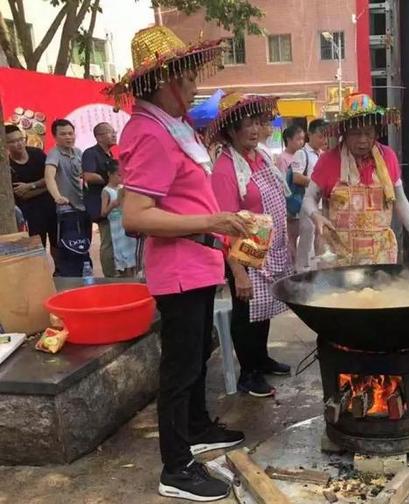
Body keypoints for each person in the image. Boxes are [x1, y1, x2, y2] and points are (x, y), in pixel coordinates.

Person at [112, 26, 251, 502]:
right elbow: (136, 216)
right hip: (177, 270)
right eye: (190, 79)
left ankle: (196, 428)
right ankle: (176, 467)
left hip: (196, 262)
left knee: (195, 359)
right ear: (165, 83)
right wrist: (215, 219)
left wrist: (219, 230)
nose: (195, 87)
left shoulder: (173, 126)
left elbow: (182, 200)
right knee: (179, 368)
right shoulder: (149, 133)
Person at [209, 94, 294, 398]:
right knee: (246, 314)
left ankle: (262, 358)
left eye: (258, 123)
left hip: (270, 248)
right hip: (243, 254)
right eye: (247, 125)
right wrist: (238, 271)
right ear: (231, 131)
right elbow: (224, 225)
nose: (255, 130)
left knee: (265, 309)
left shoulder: (262, 159)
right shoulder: (224, 169)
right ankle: (249, 373)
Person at [302, 93, 409, 266]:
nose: (363, 140)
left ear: (376, 132)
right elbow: (308, 198)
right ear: (344, 132)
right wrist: (315, 215)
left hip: (379, 255)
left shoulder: (388, 157)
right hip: (338, 258)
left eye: (368, 133)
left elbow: (400, 199)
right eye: (356, 133)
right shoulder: (328, 160)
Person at [45, 119, 92, 277]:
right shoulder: (54, 154)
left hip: (83, 208)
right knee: (70, 247)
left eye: (70, 133)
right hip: (66, 209)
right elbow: (49, 177)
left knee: (85, 246)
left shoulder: (78, 152)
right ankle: (69, 279)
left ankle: (86, 276)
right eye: (63, 134)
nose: (68, 137)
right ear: (55, 136)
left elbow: (82, 175)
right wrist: (57, 196)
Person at [6, 125, 57, 253]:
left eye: (20, 139)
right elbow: (23, 195)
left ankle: (60, 272)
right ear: (5, 145)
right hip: (30, 214)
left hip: (52, 208)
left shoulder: (37, 154)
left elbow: (52, 177)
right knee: (38, 250)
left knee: (58, 247)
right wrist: (47, 186)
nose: (19, 144)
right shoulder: (8, 166)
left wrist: (31, 186)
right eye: (13, 141)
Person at [291, 118, 328, 271]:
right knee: (307, 236)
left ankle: (319, 268)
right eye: (320, 136)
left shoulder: (323, 155)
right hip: (308, 203)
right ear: (310, 135)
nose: (323, 140)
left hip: (322, 204)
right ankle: (302, 269)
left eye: (325, 136)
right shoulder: (302, 154)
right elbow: (296, 176)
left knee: (321, 236)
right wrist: (316, 185)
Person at [83, 122, 118, 277]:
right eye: (109, 132)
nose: (114, 135)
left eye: (114, 132)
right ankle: (109, 275)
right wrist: (109, 180)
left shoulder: (109, 154)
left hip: (112, 201)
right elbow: (87, 175)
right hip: (99, 202)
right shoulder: (91, 153)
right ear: (99, 137)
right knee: (107, 241)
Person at [275, 124, 306, 261]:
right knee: (292, 236)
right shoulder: (283, 158)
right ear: (288, 139)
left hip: (301, 201)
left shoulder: (302, 155)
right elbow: (282, 183)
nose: (301, 142)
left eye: (303, 139)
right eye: (298, 139)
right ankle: (292, 264)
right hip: (291, 203)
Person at [101, 164, 137, 276]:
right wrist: (113, 205)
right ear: (110, 174)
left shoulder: (122, 189)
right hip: (116, 225)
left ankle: (132, 274)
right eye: (118, 175)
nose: (120, 178)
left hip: (125, 222)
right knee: (121, 252)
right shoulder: (106, 191)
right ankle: (123, 274)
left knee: (131, 251)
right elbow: (103, 212)